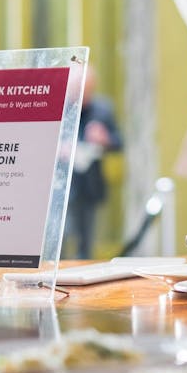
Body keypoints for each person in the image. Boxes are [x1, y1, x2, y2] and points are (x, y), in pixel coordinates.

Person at [65, 68, 123, 259]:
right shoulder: (58, 109)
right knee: (61, 241)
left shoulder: (102, 109)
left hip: (89, 186)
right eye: (79, 90)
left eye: (88, 90)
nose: (83, 95)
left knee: (86, 242)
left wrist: (105, 139)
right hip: (61, 186)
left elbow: (119, 143)